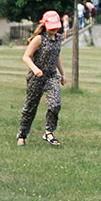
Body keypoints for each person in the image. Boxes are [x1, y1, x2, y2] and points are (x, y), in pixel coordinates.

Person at [17, 10, 66, 147]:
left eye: (57, 26)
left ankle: (48, 132)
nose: (55, 29)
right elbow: (26, 57)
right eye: (52, 26)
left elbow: (56, 56)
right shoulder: (39, 39)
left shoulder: (58, 38)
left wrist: (63, 73)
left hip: (51, 76)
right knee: (30, 107)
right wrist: (35, 69)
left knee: (55, 104)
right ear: (45, 25)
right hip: (36, 77)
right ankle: (22, 134)